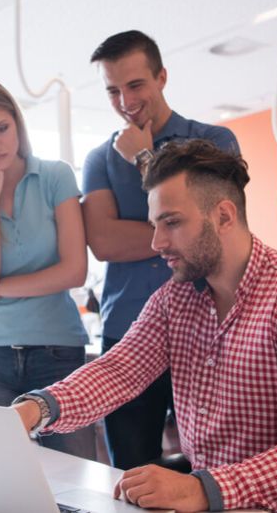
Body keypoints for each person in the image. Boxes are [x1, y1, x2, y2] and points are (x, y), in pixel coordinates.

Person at [14, 140, 277, 512]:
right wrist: (36, 411)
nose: (156, 242)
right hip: (212, 501)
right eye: (154, 225)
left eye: (172, 223)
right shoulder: (175, 299)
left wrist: (200, 490)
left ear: (224, 217)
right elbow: (118, 370)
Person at [80, 29, 240, 470]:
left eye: (135, 85)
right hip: (126, 329)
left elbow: (217, 231)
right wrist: (180, 225)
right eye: (112, 90)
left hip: (206, 328)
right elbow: (104, 243)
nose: (125, 101)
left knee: (214, 465)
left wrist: (144, 160)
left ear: (162, 77)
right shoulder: (97, 159)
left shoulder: (214, 144)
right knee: (131, 472)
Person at [0, 76, 95, 459]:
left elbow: (74, 272)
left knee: (74, 476)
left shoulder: (55, 176)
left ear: (17, 122)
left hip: (57, 351)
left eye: (2, 128)